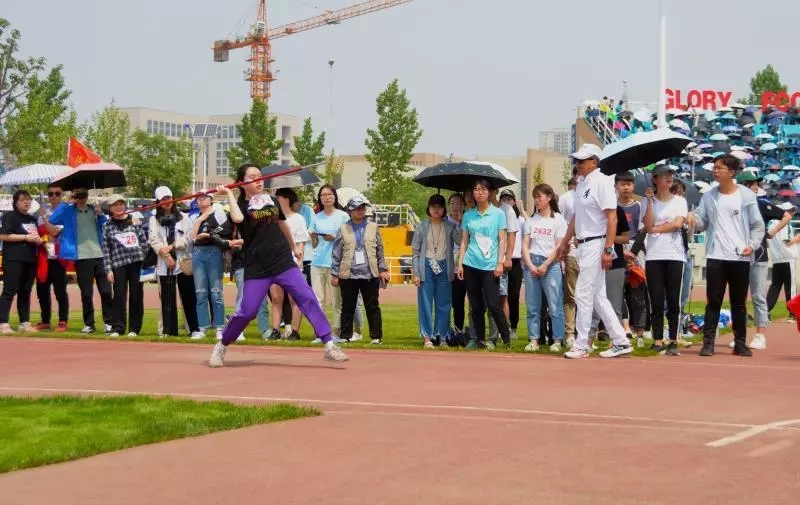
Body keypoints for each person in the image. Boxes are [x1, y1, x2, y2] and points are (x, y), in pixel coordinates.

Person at [209, 164, 348, 367]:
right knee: (247, 312)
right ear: (242, 183)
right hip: (257, 267)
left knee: (307, 297)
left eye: (260, 176)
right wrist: (229, 193)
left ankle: (329, 344)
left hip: (283, 262)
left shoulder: (272, 201)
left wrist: (294, 247)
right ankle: (222, 345)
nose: (259, 180)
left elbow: (282, 224)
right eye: (252, 177)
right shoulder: (240, 206)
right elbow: (238, 218)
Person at [557, 143, 633, 359]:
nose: (578, 164)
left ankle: (581, 344)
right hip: (583, 244)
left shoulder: (602, 182)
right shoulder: (582, 184)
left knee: (582, 293)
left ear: (594, 162)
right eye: (577, 161)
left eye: (582, 160)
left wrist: (608, 248)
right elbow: (576, 217)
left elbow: (612, 217)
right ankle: (620, 340)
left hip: (596, 243)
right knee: (598, 296)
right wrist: (564, 241)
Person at [687, 154, 765, 357]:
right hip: (716, 255)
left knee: (738, 303)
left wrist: (752, 245)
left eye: (719, 168)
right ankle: (708, 343)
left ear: (731, 172)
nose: (715, 171)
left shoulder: (746, 196)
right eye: (714, 167)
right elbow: (702, 222)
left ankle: (740, 343)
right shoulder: (709, 196)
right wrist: (693, 219)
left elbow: (758, 225)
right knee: (713, 302)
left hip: (740, 257)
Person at [735, 171, 791, 350]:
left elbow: (786, 216)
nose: (756, 187)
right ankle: (740, 335)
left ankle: (760, 335)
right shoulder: (734, 206)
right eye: (752, 184)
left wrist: (772, 232)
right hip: (737, 256)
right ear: (743, 186)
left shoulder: (762, 204)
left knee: (757, 295)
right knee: (738, 297)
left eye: (756, 184)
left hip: (759, 256)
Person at [47, 187, 113, 334]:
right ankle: (89, 323)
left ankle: (109, 322)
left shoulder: (94, 209)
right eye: (78, 194)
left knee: (106, 291)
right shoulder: (68, 210)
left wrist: (100, 214)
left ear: (88, 195)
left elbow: (106, 227)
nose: (82, 197)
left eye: (84, 193)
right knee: (86, 293)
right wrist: (66, 201)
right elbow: (53, 219)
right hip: (81, 257)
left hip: (100, 255)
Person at [456, 178, 510, 349]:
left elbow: (502, 240)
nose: (479, 192)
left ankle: (506, 339)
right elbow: (464, 241)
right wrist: (460, 264)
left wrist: (500, 263)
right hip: (470, 263)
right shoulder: (468, 215)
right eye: (476, 189)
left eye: (483, 189)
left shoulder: (498, 214)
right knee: (476, 305)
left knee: (493, 304)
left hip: (490, 265)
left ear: (489, 193)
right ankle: (479, 339)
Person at [641, 165, 689, 356]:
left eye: (670, 175)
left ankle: (673, 339)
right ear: (655, 179)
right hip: (654, 255)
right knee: (656, 300)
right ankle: (658, 339)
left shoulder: (679, 201)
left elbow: (677, 224)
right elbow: (648, 225)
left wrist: (657, 229)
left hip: (675, 255)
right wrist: (649, 202)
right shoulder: (647, 201)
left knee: (674, 300)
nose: (669, 178)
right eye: (664, 176)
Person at [331, 196, 390, 345]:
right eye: (356, 208)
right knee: (347, 306)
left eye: (362, 208)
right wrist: (335, 274)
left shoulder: (373, 227)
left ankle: (376, 337)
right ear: (350, 211)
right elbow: (337, 252)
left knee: (373, 306)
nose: (360, 211)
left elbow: (380, 250)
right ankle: (345, 336)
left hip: (370, 273)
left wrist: (383, 269)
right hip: (348, 274)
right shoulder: (343, 228)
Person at [148, 186, 202, 339]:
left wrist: (173, 246)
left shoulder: (183, 218)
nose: (167, 201)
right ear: (158, 201)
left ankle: (193, 328)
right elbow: (154, 240)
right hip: (164, 263)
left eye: (169, 198)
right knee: (167, 297)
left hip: (183, 262)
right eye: (163, 199)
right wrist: (166, 256)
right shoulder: (154, 220)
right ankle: (167, 329)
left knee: (188, 296)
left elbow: (188, 237)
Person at [521, 183, 567, 352]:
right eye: (535, 197)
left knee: (555, 305)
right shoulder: (531, 220)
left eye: (539, 196)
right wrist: (530, 264)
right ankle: (533, 340)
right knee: (533, 306)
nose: (536, 200)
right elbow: (525, 244)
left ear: (549, 197)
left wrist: (546, 264)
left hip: (551, 264)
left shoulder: (558, 220)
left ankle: (557, 340)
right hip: (532, 263)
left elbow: (559, 245)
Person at [412, 194, 460, 348]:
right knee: (425, 303)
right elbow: (415, 251)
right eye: (433, 206)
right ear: (429, 208)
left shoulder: (450, 226)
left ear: (444, 209)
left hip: (445, 267)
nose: (436, 210)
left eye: (440, 207)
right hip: (426, 266)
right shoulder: (421, 226)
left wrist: (459, 221)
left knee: (444, 303)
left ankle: (442, 336)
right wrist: (416, 272)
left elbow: (460, 241)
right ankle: (427, 337)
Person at [265, 187, 310, 341]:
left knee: (294, 298)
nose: (275, 200)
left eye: (278, 197)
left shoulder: (298, 219)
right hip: (274, 262)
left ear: (286, 199)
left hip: (291, 262)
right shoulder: (271, 218)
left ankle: (295, 331)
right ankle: (275, 329)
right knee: (276, 297)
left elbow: (301, 242)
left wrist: (299, 260)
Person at [101, 195, 149, 337]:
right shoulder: (107, 226)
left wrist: (145, 262)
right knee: (119, 296)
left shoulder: (134, 221)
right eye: (114, 205)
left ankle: (134, 329)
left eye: (121, 204)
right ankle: (118, 328)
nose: (118, 207)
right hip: (118, 263)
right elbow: (106, 249)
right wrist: (108, 269)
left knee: (136, 295)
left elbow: (144, 242)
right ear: (110, 208)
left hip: (136, 263)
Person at [308, 184, 351, 341]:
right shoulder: (316, 217)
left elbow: (350, 240)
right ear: (320, 198)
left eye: (329, 194)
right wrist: (313, 237)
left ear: (334, 196)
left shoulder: (343, 216)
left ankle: (336, 333)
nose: (326, 197)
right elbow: (314, 245)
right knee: (317, 300)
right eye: (323, 195)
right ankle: (321, 333)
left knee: (336, 301)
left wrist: (334, 238)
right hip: (317, 263)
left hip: (335, 264)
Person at [189, 192, 232, 340]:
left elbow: (226, 231)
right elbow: (192, 238)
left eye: (205, 197)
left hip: (214, 251)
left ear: (211, 200)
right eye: (199, 197)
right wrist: (200, 220)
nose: (201, 199)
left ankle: (219, 327)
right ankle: (202, 327)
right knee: (200, 292)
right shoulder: (194, 217)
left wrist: (209, 235)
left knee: (216, 291)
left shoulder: (218, 213)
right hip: (198, 253)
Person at [0, 190, 42, 334]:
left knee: (25, 291)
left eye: (28, 199)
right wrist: (25, 238)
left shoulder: (32, 219)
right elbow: (4, 236)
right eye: (23, 199)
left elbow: (34, 235)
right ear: (16, 202)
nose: (26, 202)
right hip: (13, 258)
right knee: (9, 290)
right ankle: (3, 323)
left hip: (30, 259)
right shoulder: (10, 216)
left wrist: (38, 240)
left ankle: (24, 322)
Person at [35, 183, 69, 331]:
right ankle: (45, 320)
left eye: (57, 193)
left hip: (58, 257)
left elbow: (55, 232)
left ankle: (63, 320)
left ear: (62, 195)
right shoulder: (42, 212)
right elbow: (38, 232)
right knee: (42, 290)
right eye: (50, 194)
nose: (53, 196)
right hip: (43, 256)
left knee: (60, 291)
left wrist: (45, 219)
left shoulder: (66, 212)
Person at [558, 177, 578, 347]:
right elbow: (562, 223)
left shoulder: (596, 194)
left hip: (591, 252)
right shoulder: (566, 198)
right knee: (570, 294)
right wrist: (566, 243)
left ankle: (586, 334)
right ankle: (570, 333)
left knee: (588, 296)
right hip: (572, 251)